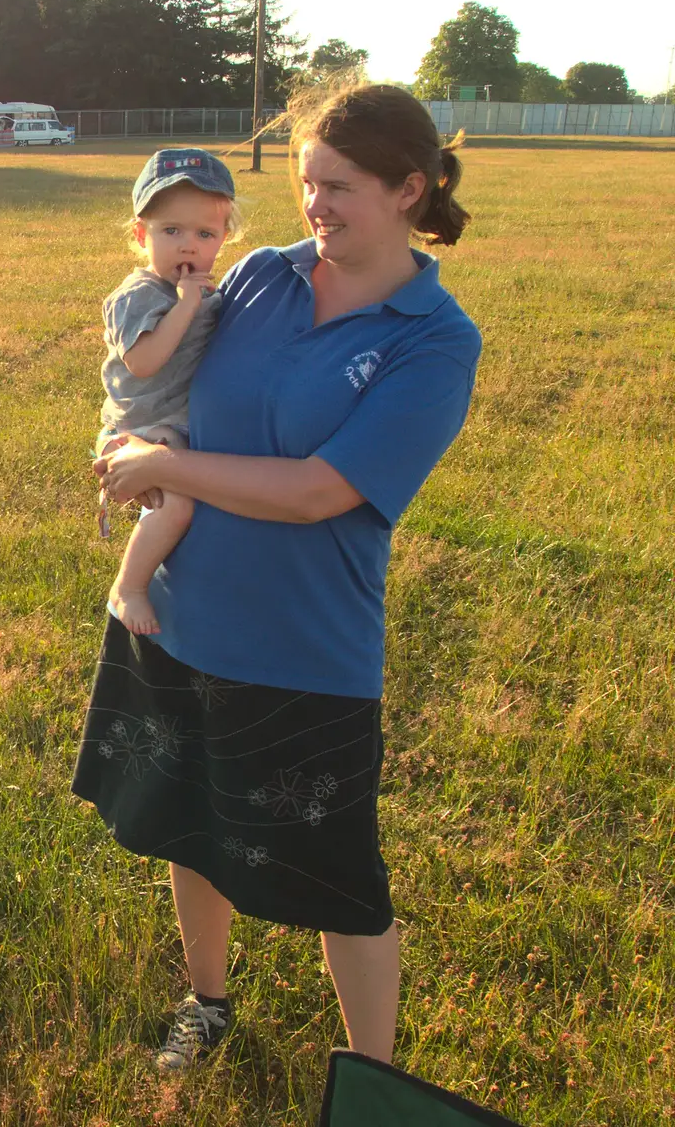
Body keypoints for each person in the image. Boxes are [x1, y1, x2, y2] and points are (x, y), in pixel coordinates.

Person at [74, 83, 480, 1071]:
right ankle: (206, 1002)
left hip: (304, 646)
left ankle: (372, 1078)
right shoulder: (254, 277)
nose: (316, 207)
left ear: (408, 188)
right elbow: (158, 381)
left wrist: (165, 469)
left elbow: (318, 491)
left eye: (337, 187)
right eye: (305, 185)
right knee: (188, 830)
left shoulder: (432, 339)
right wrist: (137, 442)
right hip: (178, 616)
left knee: (342, 881)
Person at [97, 148, 242, 636]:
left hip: (180, 423)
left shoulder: (204, 292)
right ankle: (129, 586)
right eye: (171, 231)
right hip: (137, 428)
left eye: (205, 234)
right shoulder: (137, 295)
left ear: (224, 239)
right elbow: (144, 363)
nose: (188, 246)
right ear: (142, 235)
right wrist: (185, 306)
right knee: (178, 503)